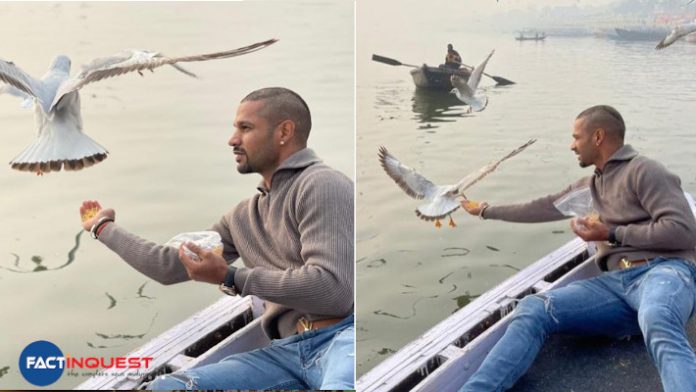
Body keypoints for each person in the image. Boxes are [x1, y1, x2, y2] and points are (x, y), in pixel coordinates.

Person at [78, 87, 354, 390]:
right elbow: (169, 267)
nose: (232, 139)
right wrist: (103, 228)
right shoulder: (243, 217)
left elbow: (333, 291)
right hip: (286, 352)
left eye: (245, 128)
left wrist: (233, 277)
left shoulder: (322, 184)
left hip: (343, 339)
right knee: (166, 387)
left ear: (284, 132)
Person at [459, 105, 696, 392]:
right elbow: (542, 207)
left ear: (597, 137)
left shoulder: (644, 170)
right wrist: (485, 210)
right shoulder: (590, 186)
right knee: (534, 308)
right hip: (617, 288)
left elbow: (684, 232)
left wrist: (611, 232)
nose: (572, 146)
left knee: (656, 315)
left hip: (665, 272)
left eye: (576, 137)